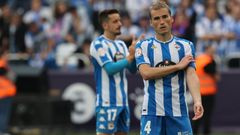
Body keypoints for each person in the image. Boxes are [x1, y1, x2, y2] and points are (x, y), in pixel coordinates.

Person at [135, 1, 204, 135]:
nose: (162, 21)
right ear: (151, 22)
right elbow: (146, 73)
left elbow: (191, 74)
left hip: (178, 111)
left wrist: (197, 101)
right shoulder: (143, 46)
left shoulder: (186, 46)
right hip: (152, 112)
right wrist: (177, 66)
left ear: (171, 19)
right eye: (156, 18)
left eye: (165, 17)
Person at [90, 9, 143, 135]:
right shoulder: (98, 44)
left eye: (119, 20)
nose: (120, 24)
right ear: (105, 25)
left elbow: (132, 69)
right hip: (107, 102)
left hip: (123, 101)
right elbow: (110, 69)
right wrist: (129, 57)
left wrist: (134, 54)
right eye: (115, 21)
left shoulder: (121, 44)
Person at [192, 45, 220, 135]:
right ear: (207, 50)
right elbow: (216, 76)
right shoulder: (210, 61)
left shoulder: (198, 59)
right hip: (208, 92)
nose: (213, 52)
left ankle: (194, 132)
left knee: (197, 115)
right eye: (212, 50)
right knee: (206, 116)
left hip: (198, 92)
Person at [0, 50, 17, 134]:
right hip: (3, 94)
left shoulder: (5, 65)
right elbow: (11, 76)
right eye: (6, 54)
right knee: (3, 114)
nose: (7, 56)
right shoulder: (2, 64)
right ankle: (2, 131)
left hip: (5, 93)